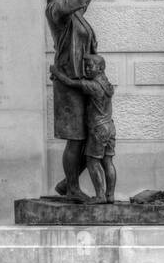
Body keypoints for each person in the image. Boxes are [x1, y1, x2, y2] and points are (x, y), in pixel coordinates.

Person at [39, 0, 120, 200]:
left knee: (90, 138)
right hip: (69, 81)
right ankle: (73, 189)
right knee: (76, 138)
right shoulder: (55, 10)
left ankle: (67, 183)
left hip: (83, 79)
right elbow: (74, 1)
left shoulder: (73, 12)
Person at [50, 54, 117, 204]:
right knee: (108, 162)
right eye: (86, 66)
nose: (87, 69)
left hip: (98, 129)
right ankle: (110, 195)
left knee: (92, 162)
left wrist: (56, 72)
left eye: (90, 66)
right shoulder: (107, 85)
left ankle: (100, 196)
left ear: (100, 68)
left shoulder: (93, 86)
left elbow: (69, 83)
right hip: (110, 127)